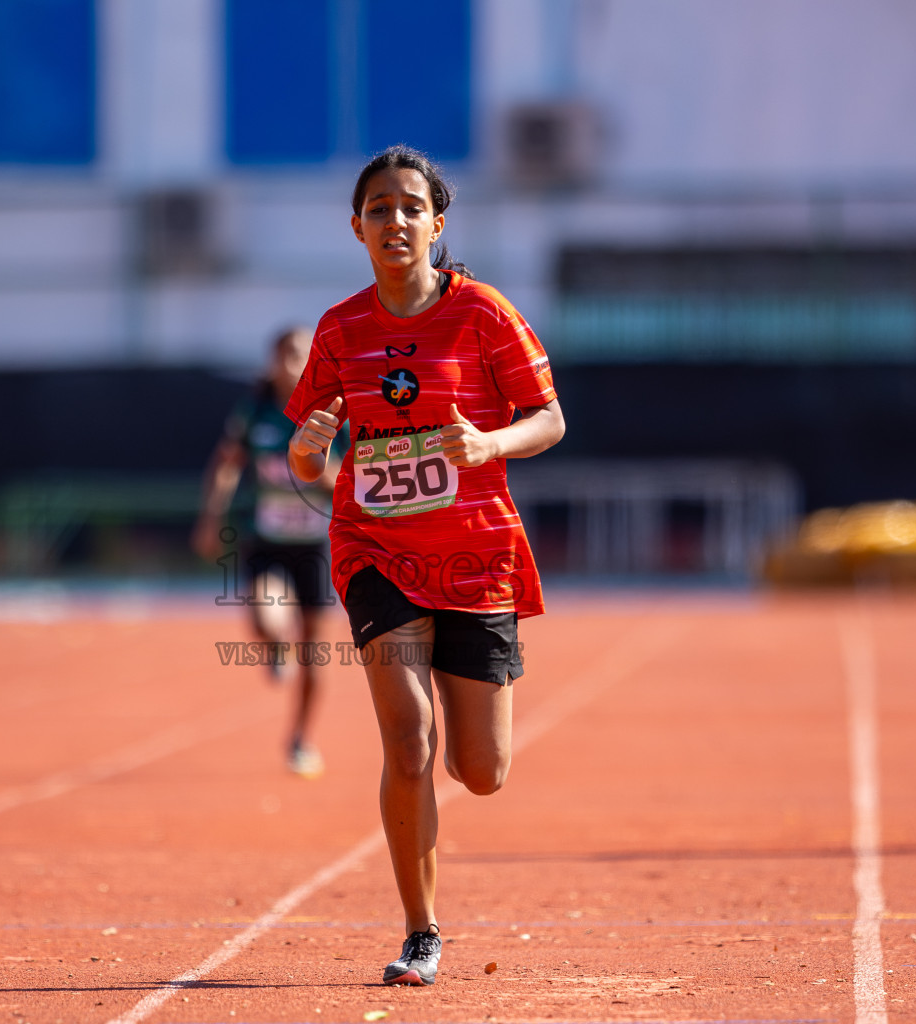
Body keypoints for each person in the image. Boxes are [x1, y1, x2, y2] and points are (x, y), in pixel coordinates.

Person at [284, 145, 565, 986]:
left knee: (480, 772)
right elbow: (308, 460)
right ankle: (421, 930)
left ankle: (469, 742)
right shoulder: (340, 330)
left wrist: (488, 441)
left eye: (411, 208)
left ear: (437, 224)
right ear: (357, 228)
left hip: (477, 556)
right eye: (379, 209)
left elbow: (549, 419)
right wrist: (307, 452)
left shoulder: (482, 314)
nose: (395, 221)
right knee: (405, 739)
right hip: (376, 552)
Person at [194, 327, 337, 778]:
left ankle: (300, 738)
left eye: (302, 355)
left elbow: (353, 477)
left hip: (316, 542)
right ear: (273, 360)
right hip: (268, 539)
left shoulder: (333, 409)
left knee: (315, 650)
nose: (293, 364)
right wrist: (211, 516)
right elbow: (227, 464)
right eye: (286, 355)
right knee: (262, 615)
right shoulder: (255, 409)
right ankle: (278, 648)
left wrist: (311, 466)